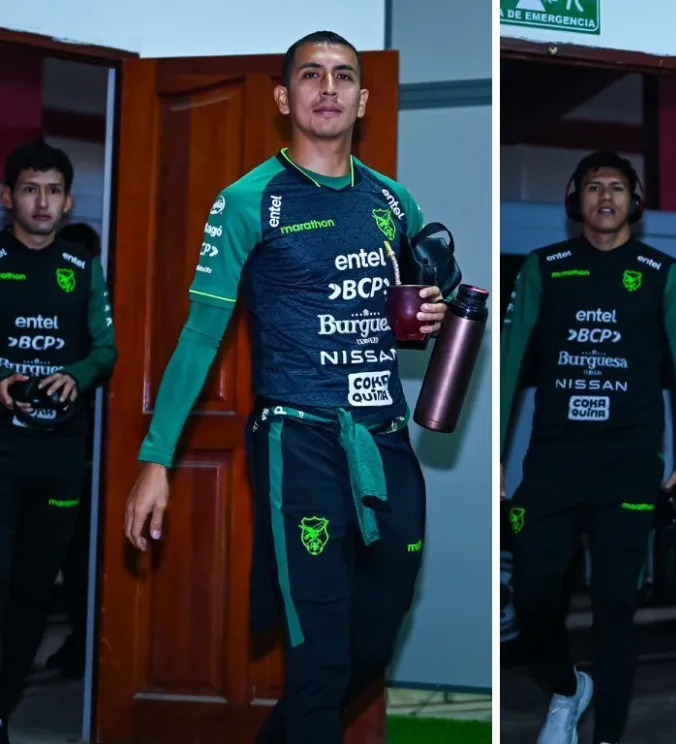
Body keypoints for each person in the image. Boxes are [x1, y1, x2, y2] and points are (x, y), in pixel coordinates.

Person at [122, 31, 453, 744]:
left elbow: (427, 301)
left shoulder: (395, 203)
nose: (328, 87)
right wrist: (157, 458)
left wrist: (428, 311)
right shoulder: (247, 201)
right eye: (311, 74)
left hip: (386, 443)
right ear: (284, 97)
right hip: (297, 445)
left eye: (343, 76)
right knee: (320, 662)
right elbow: (200, 336)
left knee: (374, 636)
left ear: (363, 100)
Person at [500, 150, 676, 744]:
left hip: (628, 466)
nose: (606, 197)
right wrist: (493, 459)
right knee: (534, 600)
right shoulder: (544, 266)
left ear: (635, 202)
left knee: (616, 607)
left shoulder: (664, 273)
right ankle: (567, 689)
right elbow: (511, 364)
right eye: (594, 188)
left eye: (617, 187)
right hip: (553, 466)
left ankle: (607, 734)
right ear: (575, 199)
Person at [0, 141, 117, 742]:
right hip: (3, 452)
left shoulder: (81, 267)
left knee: (32, 593)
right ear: (8, 197)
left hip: (63, 456)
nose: (41, 201)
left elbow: (106, 348)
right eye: (29, 188)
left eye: (52, 190)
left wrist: (76, 374)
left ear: (68, 201)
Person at [39, 222, 103, 680]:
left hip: (81, 458)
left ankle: (82, 644)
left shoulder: (94, 318)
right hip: (59, 455)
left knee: (74, 560)